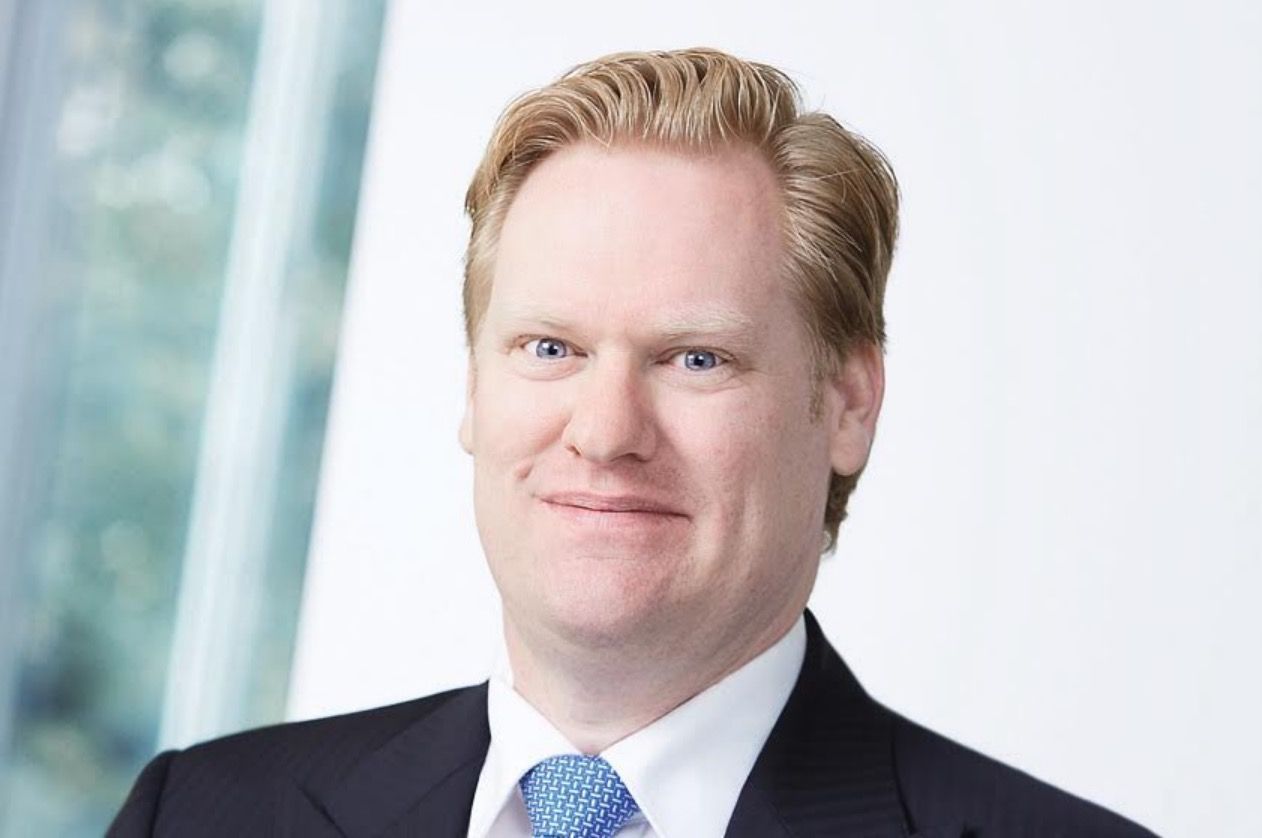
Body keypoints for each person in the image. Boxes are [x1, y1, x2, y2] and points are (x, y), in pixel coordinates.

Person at [109, 48, 1156, 837]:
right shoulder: (201, 813)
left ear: (847, 405)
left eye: (696, 358)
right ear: (472, 385)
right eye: (550, 347)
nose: (605, 432)